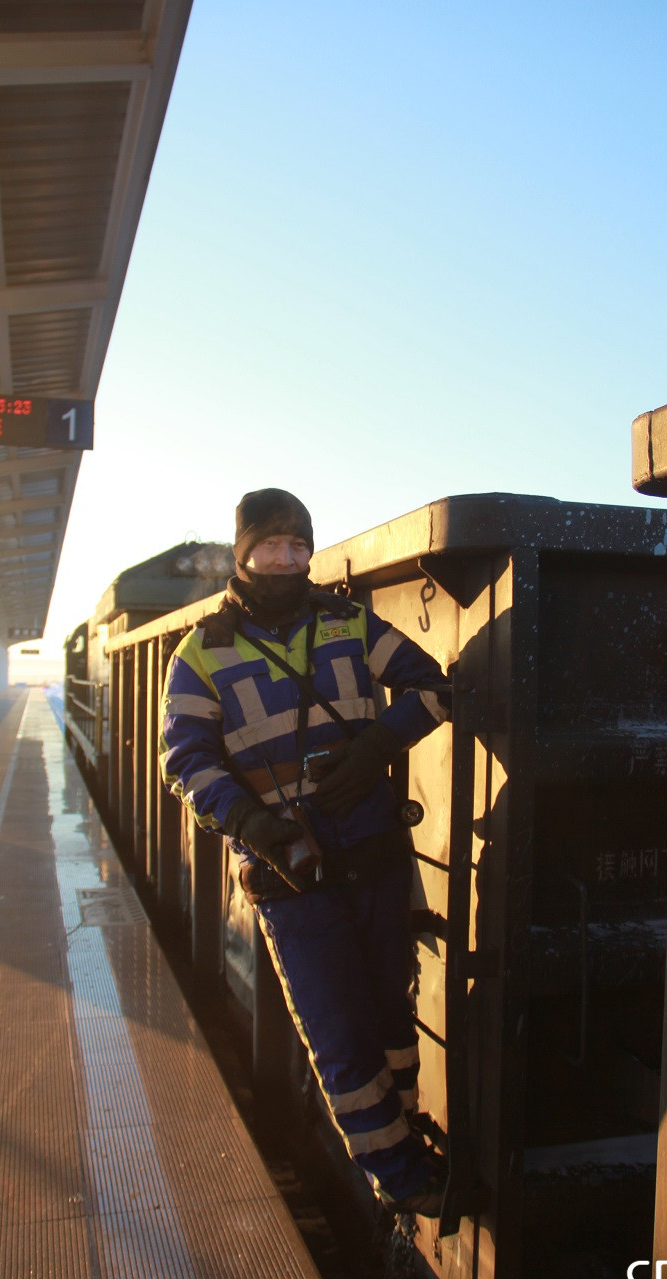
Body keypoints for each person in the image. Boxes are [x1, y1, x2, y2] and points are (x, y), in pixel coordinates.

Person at [159, 488, 450, 1216]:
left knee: (391, 1009)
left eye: (298, 546)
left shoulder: (350, 624)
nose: (285, 559)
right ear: (243, 553)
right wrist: (257, 830)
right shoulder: (200, 655)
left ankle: (405, 1123)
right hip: (293, 873)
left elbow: (433, 687)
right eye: (270, 545)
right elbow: (187, 765)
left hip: (375, 856)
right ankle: (402, 1179)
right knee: (338, 1028)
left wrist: (382, 742)